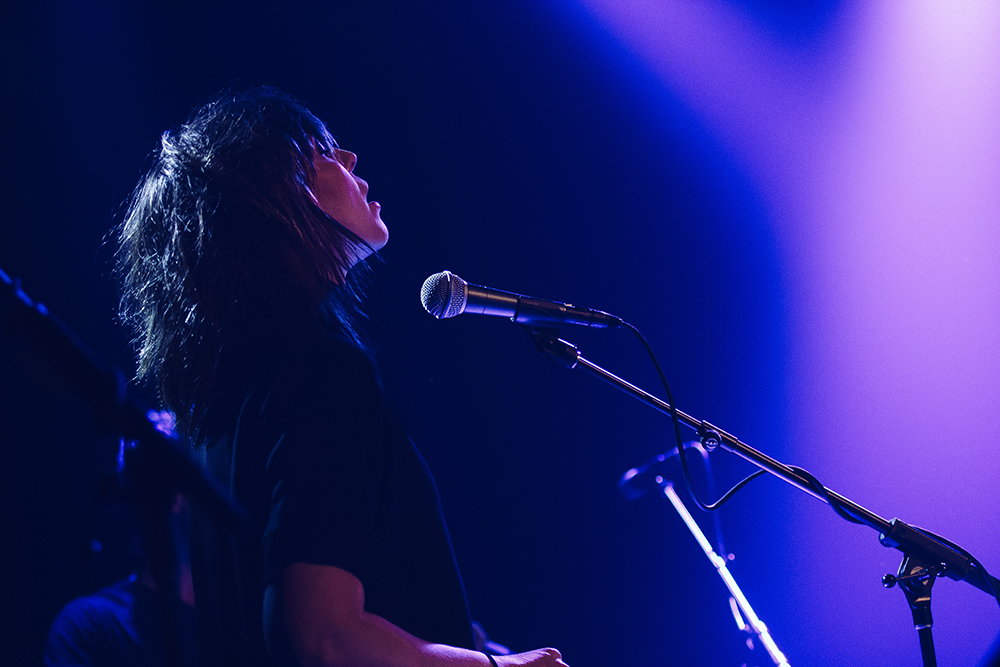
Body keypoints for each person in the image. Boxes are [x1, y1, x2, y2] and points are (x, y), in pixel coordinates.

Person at [115, 86, 569, 667]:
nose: (350, 160)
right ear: (278, 194)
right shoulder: (322, 369)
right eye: (321, 150)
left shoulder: (220, 405)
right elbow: (320, 636)